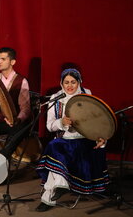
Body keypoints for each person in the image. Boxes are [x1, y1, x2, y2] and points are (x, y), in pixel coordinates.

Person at [35, 68, 109, 212]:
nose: (69, 86)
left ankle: (49, 197)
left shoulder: (86, 94)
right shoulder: (56, 98)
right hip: (65, 139)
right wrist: (61, 122)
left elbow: (96, 119)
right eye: (66, 82)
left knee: (58, 149)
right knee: (54, 147)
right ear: (61, 83)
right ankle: (59, 186)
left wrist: (101, 136)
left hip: (86, 139)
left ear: (79, 82)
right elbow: (49, 126)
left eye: (73, 82)